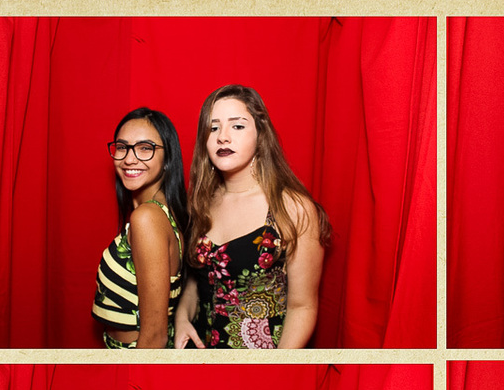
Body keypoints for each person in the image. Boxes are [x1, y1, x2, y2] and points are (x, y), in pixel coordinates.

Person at [173, 85, 330, 349]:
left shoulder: (292, 208)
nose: (223, 137)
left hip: (262, 360)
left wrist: (276, 368)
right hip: (200, 355)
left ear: (260, 134)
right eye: (213, 128)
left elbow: (302, 307)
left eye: (237, 126)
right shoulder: (200, 202)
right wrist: (181, 317)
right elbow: (196, 280)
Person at [93, 107, 189, 348]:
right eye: (122, 147)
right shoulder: (162, 212)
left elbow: (155, 336)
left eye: (145, 148)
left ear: (168, 158)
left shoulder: (147, 218)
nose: (129, 158)